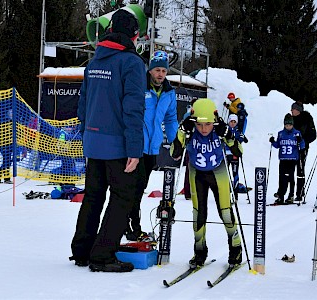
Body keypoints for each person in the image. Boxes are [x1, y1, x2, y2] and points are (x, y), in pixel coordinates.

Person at [70, 9, 146, 273]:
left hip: (93, 141)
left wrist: (88, 133)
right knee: (123, 197)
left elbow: (82, 104)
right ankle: (102, 255)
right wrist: (135, 149)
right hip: (118, 145)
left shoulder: (94, 62)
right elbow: (133, 109)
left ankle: (82, 250)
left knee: (93, 196)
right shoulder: (132, 63)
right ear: (134, 36)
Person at [170, 98, 242, 267]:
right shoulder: (188, 127)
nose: (203, 129)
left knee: (225, 211)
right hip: (197, 174)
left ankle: (236, 248)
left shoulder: (219, 126)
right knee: (198, 213)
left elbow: (238, 151)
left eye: (208, 124)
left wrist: (228, 134)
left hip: (218, 172)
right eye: (200, 125)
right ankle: (200, 250)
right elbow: (175, 153)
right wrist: (181, 132)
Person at [125, 50, 178, 241]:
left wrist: (175, 141)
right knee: (133, 189)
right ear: (150, 70)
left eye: (164, 70)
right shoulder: (140, 87)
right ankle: (132, 226)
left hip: (151, 150)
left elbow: (171, 118)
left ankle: (130, 225)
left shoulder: (169, 93)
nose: (160, 74)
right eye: (157, 69)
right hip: (135, 148)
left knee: (140, 188)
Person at [269, 113, 305, 204]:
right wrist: (273, 141)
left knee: (290, 177)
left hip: (292, 159)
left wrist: (300, 141)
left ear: (292, 125)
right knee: (282, 178)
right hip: (283, 159)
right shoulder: (281, 134)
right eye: (286, 125)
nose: (288, 127)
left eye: (290, 125)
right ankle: (281, 196)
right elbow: (278, 145)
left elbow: (302, 145)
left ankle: (291, 195)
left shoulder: (296, 133)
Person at [290, 101, 316, 202]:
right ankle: (290, 194)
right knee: (289, 170)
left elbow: (313, 134)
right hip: (291, 148)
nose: (291, 110)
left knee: (300, 169)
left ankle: (300, 193)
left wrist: (303, 141)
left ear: (298, 110)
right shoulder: (291, 118)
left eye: (293, 109)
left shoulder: (307, 118)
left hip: (302, 148)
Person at [225, 114, 247, 201]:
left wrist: (241, 138)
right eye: (231, 121)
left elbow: (242, 139)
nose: (233, 123)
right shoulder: (225, 130)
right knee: (225, 174)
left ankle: (235, 194)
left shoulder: (238, 131)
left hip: (235, 154)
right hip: (226, 154)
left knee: (235, 173)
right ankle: (226, 193)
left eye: (234, 122)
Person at [0, 109, 13, 184]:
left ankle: (0, 178)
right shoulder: (4, 122)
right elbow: (1, 133)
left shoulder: (12, 123)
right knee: (6, 161)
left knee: (7, 161)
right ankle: (4, 178)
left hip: (9, 144)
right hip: (3, 144)